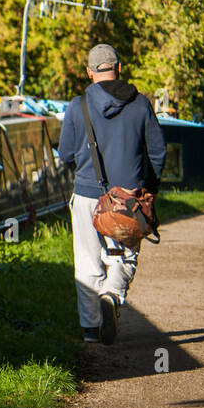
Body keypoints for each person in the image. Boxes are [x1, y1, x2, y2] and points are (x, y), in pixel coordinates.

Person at [57, 44, 166, 345]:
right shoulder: (141, 105)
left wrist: (84, 178)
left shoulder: (77, 106)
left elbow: (65, 154)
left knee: (88, 260)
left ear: (89, 72)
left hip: (88, 196)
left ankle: (91, 332)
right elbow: (157, 152)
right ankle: (112, 294)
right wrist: (150, 191)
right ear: (119, 68)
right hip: (129, 198)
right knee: (125, 256)